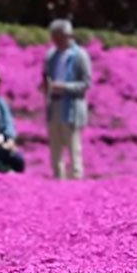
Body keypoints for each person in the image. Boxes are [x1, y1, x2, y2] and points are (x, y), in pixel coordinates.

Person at [40, 19, 92, 179]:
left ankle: (76, 182)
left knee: (74, 149)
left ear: (66, 36)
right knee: (55, 151)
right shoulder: (51, 55)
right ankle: (58, 182)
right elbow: (46, 76)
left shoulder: (80, 56)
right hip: (54, 105)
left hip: (71, 108)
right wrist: (45, 86)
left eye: (56, 37)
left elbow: (86, 83)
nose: (54, 40)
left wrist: (64, 87)